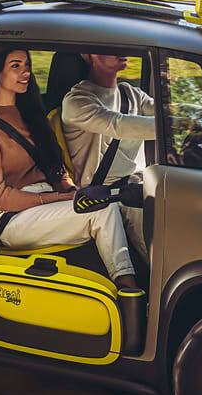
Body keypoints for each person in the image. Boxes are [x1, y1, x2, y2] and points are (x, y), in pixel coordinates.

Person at [0, 49, 138, 290]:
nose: (26, 72)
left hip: (49, 203)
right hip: (13, 217)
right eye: (15, 66)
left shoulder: (32, 112)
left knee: (115, 201)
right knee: (103, 212)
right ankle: (129, 292)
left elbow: (56, 168)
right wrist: (57, 197)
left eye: (27, 64)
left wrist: (72, 191)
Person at [60, 54, 155, 260]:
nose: (122, 52)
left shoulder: (130, 93)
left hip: (138, 184)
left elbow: (163, 111)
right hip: (105, 195)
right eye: (112, 47)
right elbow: (117, 125)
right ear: (91, 55)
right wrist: (180, 124)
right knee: (164, 256)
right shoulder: (77, 101)